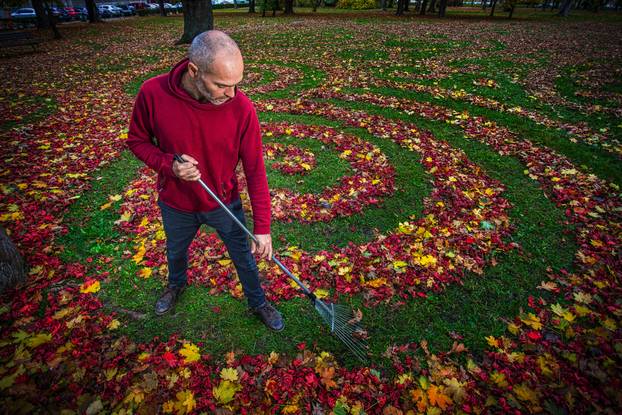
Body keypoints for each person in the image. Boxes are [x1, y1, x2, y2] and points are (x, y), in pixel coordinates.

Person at [126, 30, 284, 331]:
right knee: (175, 250)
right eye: (222, 85)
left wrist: (263, 228)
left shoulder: (242, 108)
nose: (232, 94)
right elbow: (137, 140)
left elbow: (255, 170)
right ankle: (176, 285)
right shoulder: (152, 93)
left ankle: (258, 301)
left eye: (236, 84)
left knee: (244, 256)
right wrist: (169, 165)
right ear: (194, 70)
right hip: (176, 202)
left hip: (223, 202)